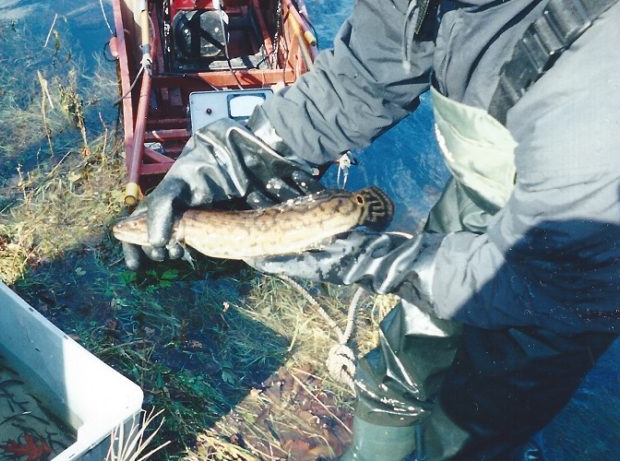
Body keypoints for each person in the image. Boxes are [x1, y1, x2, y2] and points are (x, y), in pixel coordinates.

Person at [122, 0, 620, 459]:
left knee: (480, 416)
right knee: (403, 366)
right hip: (485, 192)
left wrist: (389, 262)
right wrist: (241, 154)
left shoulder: (603, 74)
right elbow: (362, 77)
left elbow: (549, 280)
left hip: (578, 267)